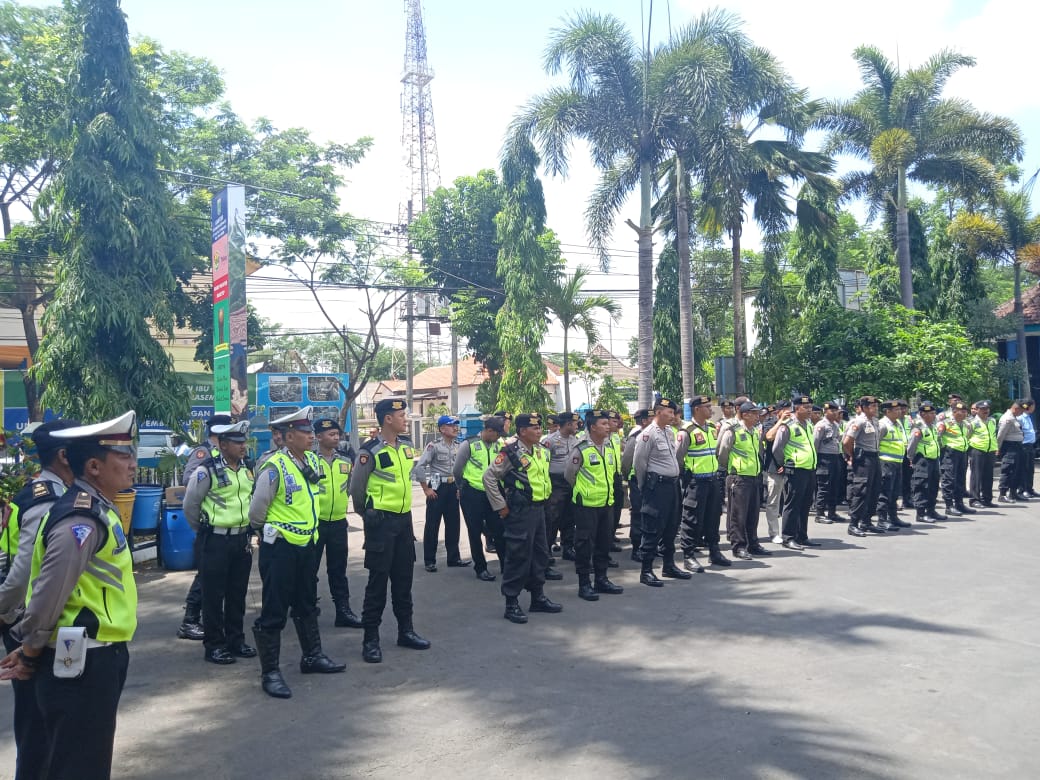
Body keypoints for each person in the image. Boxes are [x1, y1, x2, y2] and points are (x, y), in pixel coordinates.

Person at [0, 411, 139, 780]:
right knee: (80, 766)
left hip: (92, 656)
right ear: (93, 466)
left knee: (76, 760)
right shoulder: (80, 519)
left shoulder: (96, 509)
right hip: (82, 663)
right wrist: (30, 652)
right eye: (123, 456)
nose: (133, 463)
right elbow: (48, 593)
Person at [0, 420, 78, 779]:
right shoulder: (48, 500)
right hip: (30, 626)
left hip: (32, 622)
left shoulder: (47, 492)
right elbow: (22, 575)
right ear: (65, 455)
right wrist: (11, 619)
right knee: (38, 728)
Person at [249, 407, 344, 699]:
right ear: (289, 437)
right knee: (275, 608)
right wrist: (270, 535)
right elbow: (257, 512)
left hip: (306, 545)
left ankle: (312, 656)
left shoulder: (312, 461)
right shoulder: (274, 467)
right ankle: (270, 672)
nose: (310, 438)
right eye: (305, 433)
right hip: (280, 548)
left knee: (306, 602)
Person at [349, 399, 430, 663]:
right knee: (377, 583)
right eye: (401, 415)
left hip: (404, 522)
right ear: (387, 419)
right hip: (380, 524)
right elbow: (356, 488)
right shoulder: (369, 451)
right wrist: (367, 514)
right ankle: (370, 639)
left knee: (404, 579)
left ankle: (405, 631)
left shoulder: (406, 446)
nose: (405, 419)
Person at [182, 420, 257, 665]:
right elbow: (190, 505)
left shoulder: (247, 469)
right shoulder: (207, 470)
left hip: (241, 540)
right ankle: (214, 645)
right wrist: (207, 530)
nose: (243, 446)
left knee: (237, 594)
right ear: (223, 445)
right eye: (237, 443)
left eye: (243, 441)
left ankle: (236, 640)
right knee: (213, 596)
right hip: (214, 540)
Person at [483, 413, 562, 624]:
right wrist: (500, 506)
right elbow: (489, 477)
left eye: (539, 427)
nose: (538, 431)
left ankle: (538, 597)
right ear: (522, 431)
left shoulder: (541, 451)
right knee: (518, 556)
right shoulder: (510, 452)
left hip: (540, 510)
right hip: (520, 512)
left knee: (540, 554)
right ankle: (512, 603)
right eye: (534, 428)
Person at [176, 413, 232, 642]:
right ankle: (189, 621)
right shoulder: (204, 453)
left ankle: (211, 620)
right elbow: (189, 480)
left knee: (218, 576)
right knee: (206, 575)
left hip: (227, 525)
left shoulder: (225, 453)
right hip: (210, 526)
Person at [563, 409, 624, 601]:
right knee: (584, 545)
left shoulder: (608, 447)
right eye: (604, 424)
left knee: (604, 544)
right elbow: (569, 475)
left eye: (608, 424)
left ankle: (602, 579)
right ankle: (584, 584)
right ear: (592, 427)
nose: (608, 427)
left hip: (606, 504)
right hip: (586, 506)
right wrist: (584, 492)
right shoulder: (580, 449)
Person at [631, 399, 691, 585]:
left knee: (671, 527)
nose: (673, 416)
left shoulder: (668, 432)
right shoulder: (647, 435)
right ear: (658, 412)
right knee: (652, 529)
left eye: (674, 413)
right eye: (669, 412)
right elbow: (639, 464)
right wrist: (645, 487)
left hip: (672, 486)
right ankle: (646, 571)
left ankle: (669, 565)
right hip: (656, 488)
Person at [313, 418, 362, 628]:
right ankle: (305, 607)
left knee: (338, 570)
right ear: (318, 437)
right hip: (314, 524)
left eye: (337, 434)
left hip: (338, 523)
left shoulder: (344, 461)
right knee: (308, 569)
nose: (335, 437)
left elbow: (350, 487)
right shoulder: (309, 462)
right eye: (330, 434)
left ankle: (343, 611)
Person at [678, 395, 729, 571]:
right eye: (707, 407)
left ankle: (714, 552)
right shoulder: (687, 431)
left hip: (713, 480)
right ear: (697, 409)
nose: (711, 410)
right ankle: (689, 555)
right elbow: (678, 458)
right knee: (692, 519)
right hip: (696, 482)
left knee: (713, 517)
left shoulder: (712, 428)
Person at [452, 416, 505, 582]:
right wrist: (462, 487)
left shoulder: (500, 445)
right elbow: (457, 469)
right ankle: (481, 568)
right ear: (489, 431)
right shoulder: (469, 445)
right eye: (497, 433)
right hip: (472, 493)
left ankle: (507, 565)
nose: (499, 436)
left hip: (493, 493)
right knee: (474, 531)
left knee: (499, 530)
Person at [414, 415, 469, 572]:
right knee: (432, 524)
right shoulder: (434, 446)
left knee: (454, 524)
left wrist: (460, 487)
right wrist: (426, 488)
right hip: (437, 488)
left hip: (453, 488)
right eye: (452, 425)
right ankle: (429, 560)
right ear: (442, 429)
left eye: (456, 425)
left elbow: (463, 469)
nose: (455, 428)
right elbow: (420, 466)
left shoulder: (459, 446)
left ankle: (454, 558)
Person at [718, 402, 766, 560]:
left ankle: (753, 543)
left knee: (753, 513)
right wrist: (733, 470)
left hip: (753, 476)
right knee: (738, 514)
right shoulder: (733, 431)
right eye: (754, 413)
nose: (757, 416)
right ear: (745, 414)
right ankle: (738, 546)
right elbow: (722, 453)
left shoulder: (754, 431)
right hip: (739, 477)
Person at [773, 395, 820, 550]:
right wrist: (784, 464)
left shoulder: (807, 424)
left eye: (810, 407)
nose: (809, 410)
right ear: (796, 408)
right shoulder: (788, 425)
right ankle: (788, 537)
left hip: (809, 469)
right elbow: (777, 448)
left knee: (805, 504)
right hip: (795, 470)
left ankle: (802, 535)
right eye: (805, 407)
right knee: (792, 504)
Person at [542, 412, 580, 574]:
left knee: (569, 517)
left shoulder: (575, 440)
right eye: (575, 423)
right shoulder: (549, 441)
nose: (577, 426)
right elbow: (543, 462)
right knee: (552, 518)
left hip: (571, 482)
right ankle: (547, 551)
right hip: (555, 483)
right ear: (568, 424)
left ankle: (568, 547)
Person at [843, 396, 884, 537]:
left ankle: (866, 521)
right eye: (873, 406)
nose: (876, 408)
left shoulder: (875, 421)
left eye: (876, 406)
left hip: (874, 457)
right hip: (864, 458)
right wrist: (852, 455)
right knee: (861, 490)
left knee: (874, 489)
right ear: (865, 407)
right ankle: (853, 524)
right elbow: (847, 441)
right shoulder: (858, 422)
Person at [906, 402, 945, 522]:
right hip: (922, 460)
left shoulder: (932, 426)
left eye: (934, 413)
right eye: (931, 413)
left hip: (933, 459)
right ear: (923, 414)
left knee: (933, 486)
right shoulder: (918, 427)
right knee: (922, 486)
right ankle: (921, 514)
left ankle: (931, 510)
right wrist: (911, 458)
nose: (934, 415)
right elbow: (912, 445)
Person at [621, 408, 650, 558]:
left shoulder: (654, 433)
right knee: (638, 514)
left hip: (651, 480)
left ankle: (648, 545)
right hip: (638, 480)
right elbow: (626, 461)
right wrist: (629, 478)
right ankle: (637, 547)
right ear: (644, 421)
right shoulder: (636, 436)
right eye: (651, 418)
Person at [876, 400, 909, 531]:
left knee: (895, 492)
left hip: (897, 462)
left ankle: (893, 517)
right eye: (896, 410)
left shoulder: (898, 424)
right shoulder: (882, 425)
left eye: (900, 409)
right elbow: (875, 443)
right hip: (885, 462)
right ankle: (882, 520)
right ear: (887, 411)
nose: (900, 412)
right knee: (885, 492)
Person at [937, 401, 974, 517]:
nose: (962, 414)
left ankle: (959, 504)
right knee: (949, 479)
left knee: (960, 479)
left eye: (964, 412)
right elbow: (938, 437)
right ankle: (949, 506)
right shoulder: (946, 423)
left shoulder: (966, 424)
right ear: (953, 412)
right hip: (950, 453)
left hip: (962, 453)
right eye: (959, 412)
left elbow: (968, 436)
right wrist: (943, 448)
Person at [813, 401, 845, 524]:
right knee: (824, 486)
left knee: (834, 486)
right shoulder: (821, 425)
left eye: (836, 410)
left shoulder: (835, 425)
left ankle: (832, 512)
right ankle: (820, 513)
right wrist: (815, 460)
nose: (835, 413)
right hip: (823, 458)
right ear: (825, 412)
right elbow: (815, 443)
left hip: (835, 457)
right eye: (832, 410)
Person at [967, 401, 998, 508]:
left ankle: (987, 499)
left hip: (990, 451)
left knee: (988, 476)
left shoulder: (992, 421)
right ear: (977, 410)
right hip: (977, 450)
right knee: (976, 476)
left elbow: (993, 435)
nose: (986, 411)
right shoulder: (972, 422)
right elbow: (967, 436)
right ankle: (974, 499)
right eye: (983, 409)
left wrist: (996, 448)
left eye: (987, 409)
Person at [996, 400, 1025, 503]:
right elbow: (1001, 435)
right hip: (1009, 447)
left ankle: (1013, 493)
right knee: (1007, 470)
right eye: (1021, 411)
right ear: (1016, 409)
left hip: (1016, 447)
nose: (1022, 413)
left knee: (1016, 471)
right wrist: (997, 448)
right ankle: (1002, 494)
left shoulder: (1014, 417)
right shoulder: (1007, 418)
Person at [1018, 399, 1036, 498]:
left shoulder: (1028, 417)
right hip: (1024, 446)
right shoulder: (1021, 418)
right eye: (1033, 405)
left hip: (1030, 446)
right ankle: (1022, 489)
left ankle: (1029, 488)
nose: (1034, 407)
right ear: (1029, 406)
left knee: (1030, 469)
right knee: (1024, 469)